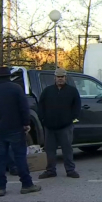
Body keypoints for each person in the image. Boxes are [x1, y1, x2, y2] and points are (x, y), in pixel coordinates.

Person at [0, 67, 41, 196]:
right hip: (15, 128)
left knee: (1, 159)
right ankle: (27, 184)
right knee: (20, 158)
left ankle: (1, 187)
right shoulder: (16, 88)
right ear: (9, 76)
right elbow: (24, 107)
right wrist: (26, 123)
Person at [38, 68, 81, 179]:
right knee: (50, 150)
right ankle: (50, 170)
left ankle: (70, 170)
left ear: (65, 78)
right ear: (55, 78)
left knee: (67, 149)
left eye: (62, 77)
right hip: (49, 126)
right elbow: (41, 105)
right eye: (58, 77)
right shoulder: (48, 91)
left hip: (65, 126)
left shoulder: (72, 91)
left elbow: (77, 107)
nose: (60, 79)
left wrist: (71, 119)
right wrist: (43, 119)